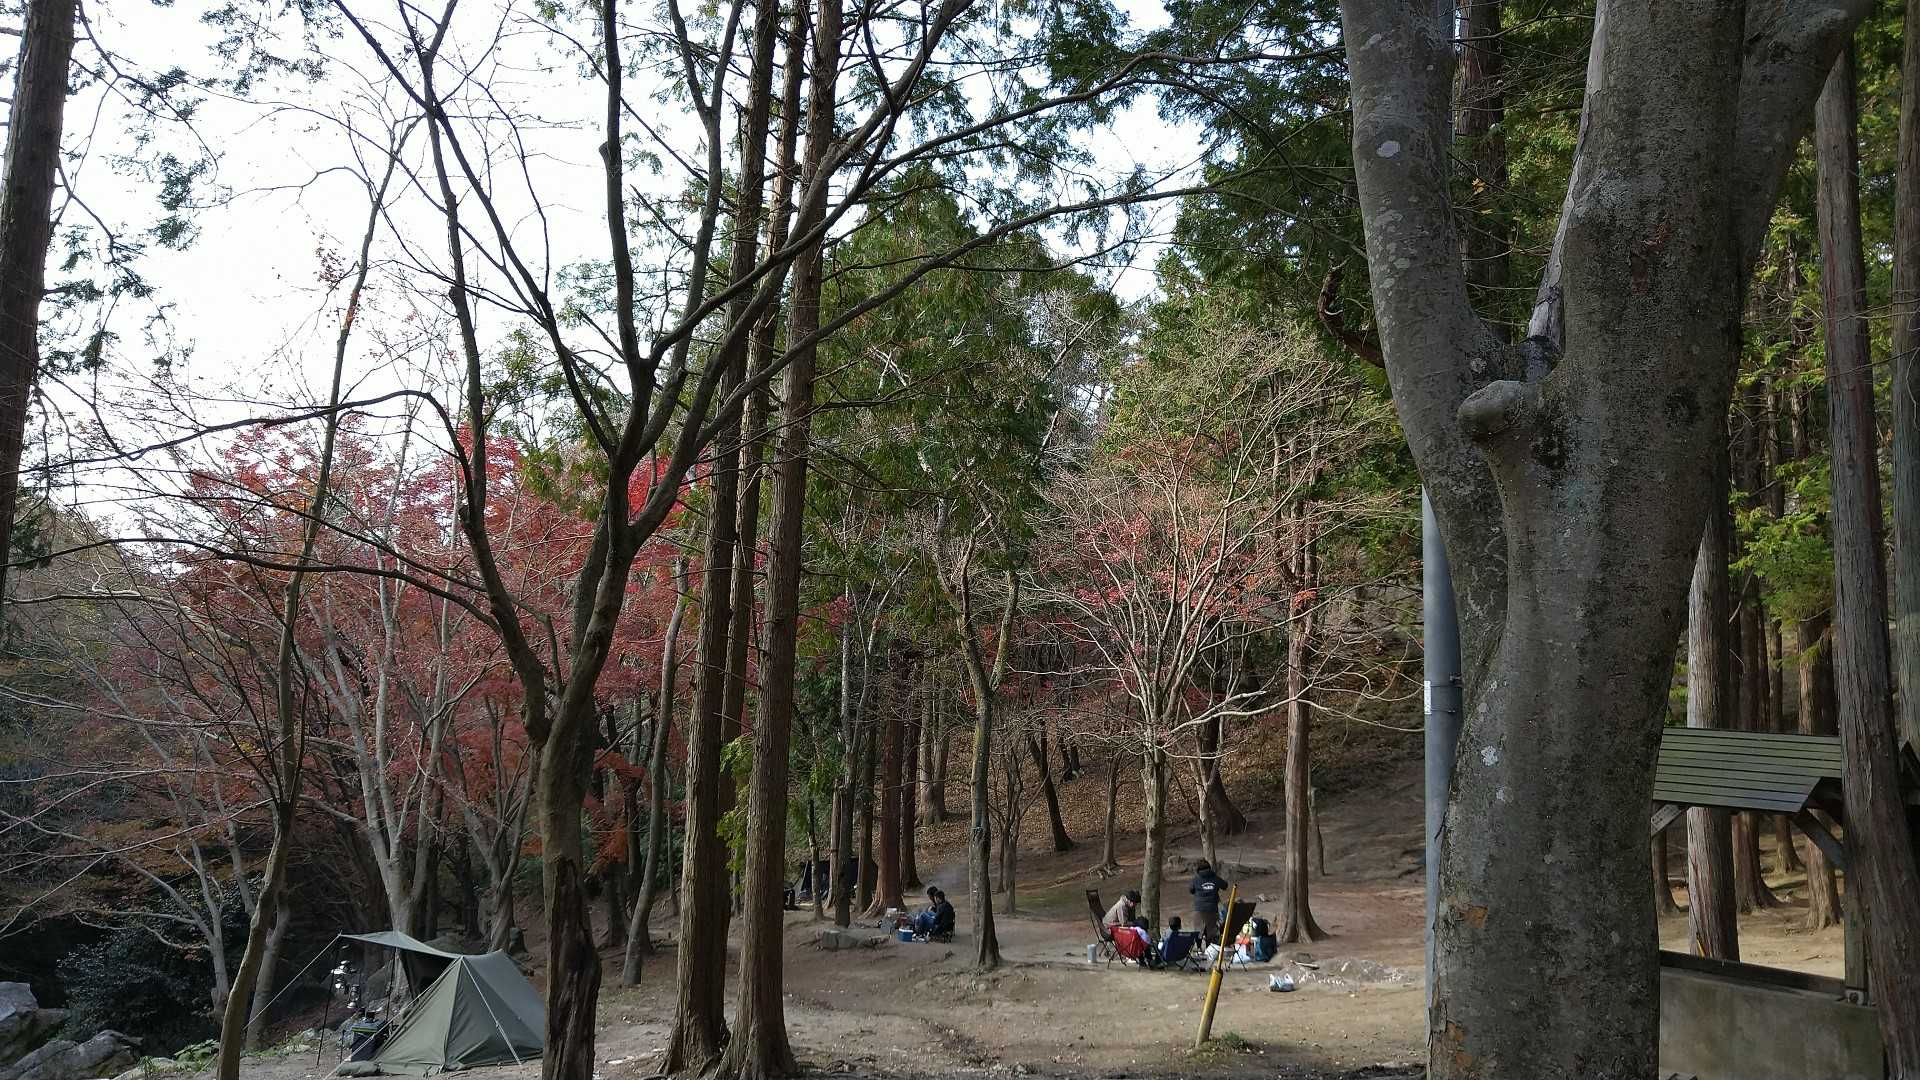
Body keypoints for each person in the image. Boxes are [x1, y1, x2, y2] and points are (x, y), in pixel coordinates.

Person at [1189, 859, 1228, 939]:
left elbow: (1191, 890)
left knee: (1198, 932)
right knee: (1211, 932)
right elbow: (1225, 886)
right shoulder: (1215, 878)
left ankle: (1199, 945)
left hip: (1199, 909)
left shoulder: (1196, 879)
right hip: (1212, 909)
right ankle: (1209, 944)